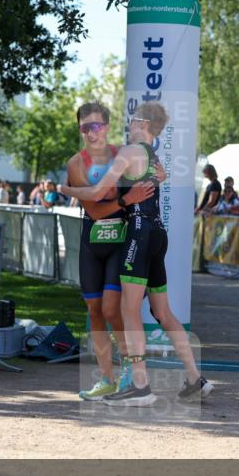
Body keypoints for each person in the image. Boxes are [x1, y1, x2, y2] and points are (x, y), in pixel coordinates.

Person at [59, 102, 213, 405]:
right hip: (156, 233)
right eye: (85, 127)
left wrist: (66, 190)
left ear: (142, 123)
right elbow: (160, 176)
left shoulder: (128, 151)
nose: (128, 124)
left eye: (132, 120)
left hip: (138, 234)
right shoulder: (150, 155)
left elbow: (96, 194)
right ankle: (195, 377)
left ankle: (140, 386)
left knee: (128, 311)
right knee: (162, 312)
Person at [64, 101, 155, 400]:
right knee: (94, 310)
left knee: (111, 309)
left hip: (121, 242)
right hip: (92, 241)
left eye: (97, 126)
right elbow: (95, 210)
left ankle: (129, 371)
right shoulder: (76, 164)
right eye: (85, 127)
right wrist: (126, 200)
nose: (91, 133)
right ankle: (106, 378)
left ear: (106, 126)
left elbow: (156, 176)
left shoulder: (124, 154)